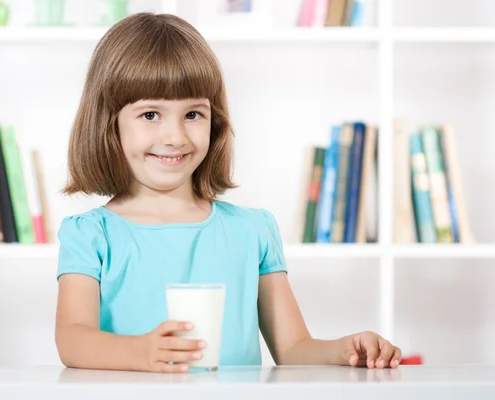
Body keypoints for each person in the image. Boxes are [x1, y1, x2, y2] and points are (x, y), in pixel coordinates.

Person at [54, 12, 401, 373]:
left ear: (214, 121)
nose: (175, 136)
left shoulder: (252, 230)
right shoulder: (91, 235)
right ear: (109, 124)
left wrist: (345, 350)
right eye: (151, 115)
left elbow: (294, 349)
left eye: (192, 114)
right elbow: (73, 339)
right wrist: (140, 353)